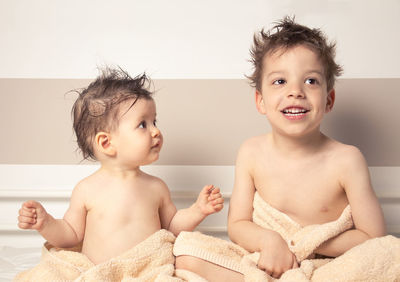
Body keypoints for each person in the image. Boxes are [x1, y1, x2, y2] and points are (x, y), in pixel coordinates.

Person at [174, 17, 389, 281]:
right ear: (261, 101)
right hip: (265, 260)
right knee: (185, 253)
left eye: (311, 81)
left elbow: (373, 236)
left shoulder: (346, 159)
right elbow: (238, 225)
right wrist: (270, 242)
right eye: (279, 82)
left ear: (329, 99)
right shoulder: (251, 152)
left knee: (389, 256)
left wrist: (305, 243)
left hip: (326, 267)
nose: (295, 91)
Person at [17, 68, 224, 265]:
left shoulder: (156, 187)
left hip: (148, 269)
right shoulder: (87, 190)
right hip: (103, 272)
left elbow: (172, 228)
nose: (155, 131)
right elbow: (71, 234)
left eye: (154, 122)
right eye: (143, 124)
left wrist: (198, 210)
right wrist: (46, 224)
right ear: (106, 143)